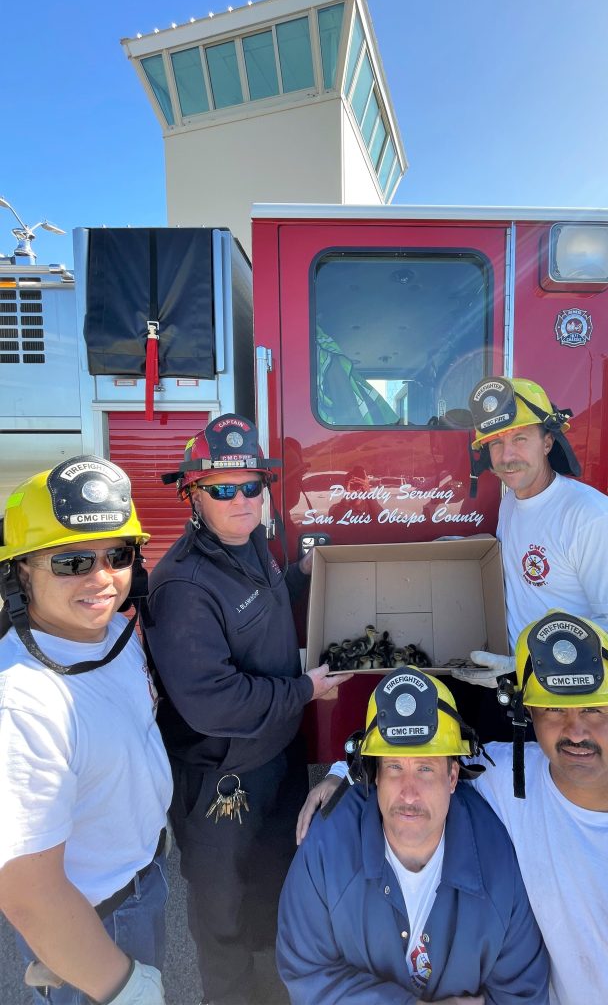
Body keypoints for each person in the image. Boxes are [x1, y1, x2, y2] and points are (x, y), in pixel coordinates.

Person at [303, 613, 608, 1004]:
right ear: (529, 716)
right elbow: (418, 755)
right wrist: (341, 775)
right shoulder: (508, 776)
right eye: (554, 712)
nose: (575, 732)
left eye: (593, 711)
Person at [144, 413, 351, 1005]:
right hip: (222, 780)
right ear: (192, 495)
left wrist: (299, 576)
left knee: (271, 886)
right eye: (222, 489)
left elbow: (260, 602)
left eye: (252, 485)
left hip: (275, 760)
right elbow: (214, 702)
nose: (242, 499)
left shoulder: (252, 541)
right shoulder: (181, 587)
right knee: (222, 912)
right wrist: (305, 692)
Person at [0, 456, 172, 1005]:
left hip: (141, 881)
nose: (102, 578)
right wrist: (119, 986)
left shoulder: (109, 637)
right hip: (93, 928)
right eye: (73, 561)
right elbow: (28, 892)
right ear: (22, 571)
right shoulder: (22, 702)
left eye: (117, 555)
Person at [278, 667, 549, 1005]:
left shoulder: (498, 864)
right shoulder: (327, 849)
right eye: (394, 767)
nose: (408, 793)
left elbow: (522, 992)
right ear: (375, 774)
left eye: (425, 768)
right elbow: (305, 973)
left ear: (452, 776)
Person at [465, 376, 608, 667]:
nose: (507, 456)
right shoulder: (511, 503)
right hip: (517, 685)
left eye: (520, 438)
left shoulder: (595, 520)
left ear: (548, 442)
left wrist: (532, 665)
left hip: (565, 698)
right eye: (496, 443)